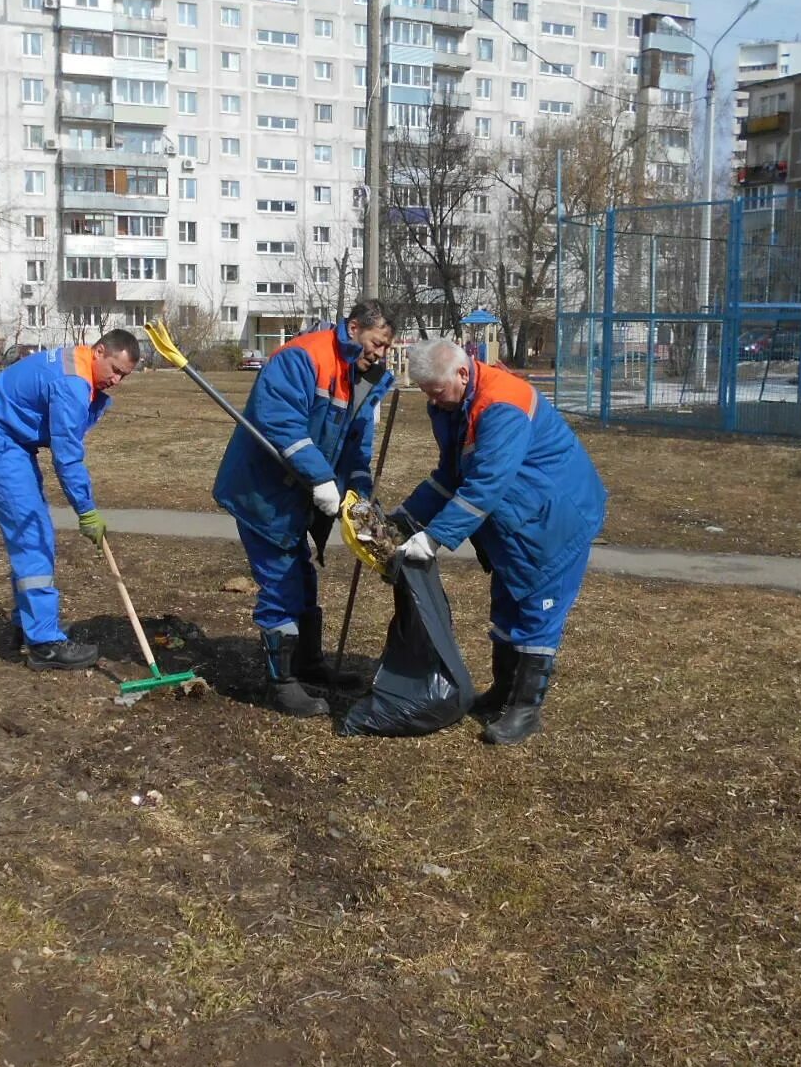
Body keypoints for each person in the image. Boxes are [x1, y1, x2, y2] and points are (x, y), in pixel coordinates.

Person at [393, 338, 607, 744]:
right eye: (426, 394)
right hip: (517, 519)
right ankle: (503, 692)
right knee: (507, 604)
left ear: (461, 372)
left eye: (436, 392)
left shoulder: (502, 404)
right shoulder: (452, 404)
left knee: (537, 612)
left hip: (553, 519)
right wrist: (407, 517)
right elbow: (453, 473)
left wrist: (434, 538)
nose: (433, 402)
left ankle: (526, 712)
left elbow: (485, 484)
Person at [213, 301, 396, 716]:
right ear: (353, 328)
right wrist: (321, 478)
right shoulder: (303, 357)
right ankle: (281, 683)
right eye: (376, 343)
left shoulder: (366, 380)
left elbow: (356, 447)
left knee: (302, 575)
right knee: (281, 581)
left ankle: (308, 662)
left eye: (387, 347)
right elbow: (279, 424)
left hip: (301, 493)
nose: (380, 353)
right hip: (263, 491)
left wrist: (359, 492)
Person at [0, 331, 142, 671]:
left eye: (124, 376)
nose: (116, 381)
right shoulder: (72, 384)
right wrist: (86, 511)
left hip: (10, 441)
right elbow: (67, 457)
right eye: (115, 370)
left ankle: (27, 626)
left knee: (33, 531)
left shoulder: (76, 365)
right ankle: (44, 644)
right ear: (99, 351)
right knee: (33, 534)